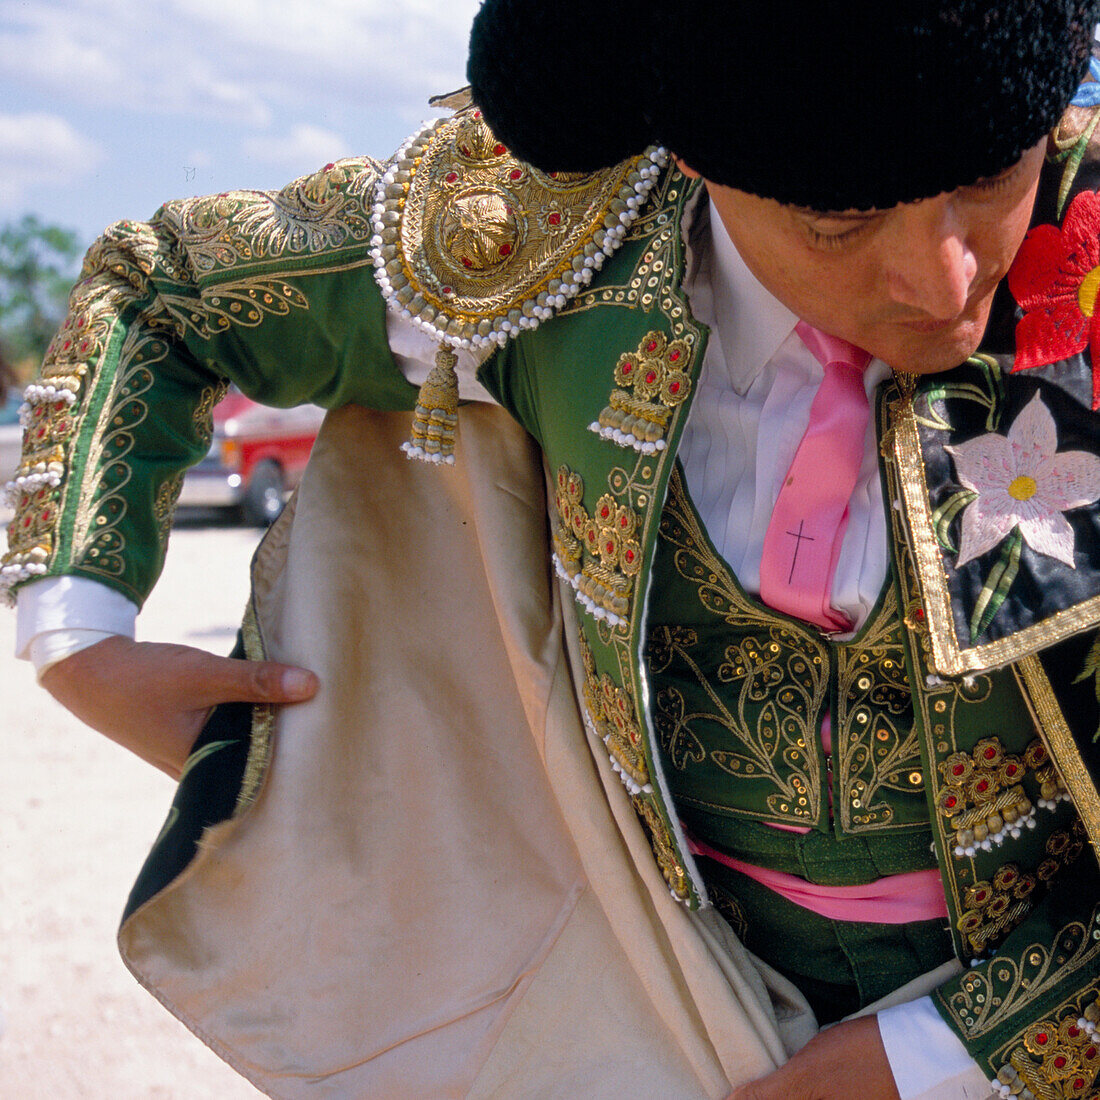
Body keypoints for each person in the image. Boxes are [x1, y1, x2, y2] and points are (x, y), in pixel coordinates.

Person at [6, 2, 1100, 1097]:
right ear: (692, 164)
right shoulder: (561, 230)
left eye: (990, 174)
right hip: (658, 998)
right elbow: (160, 289)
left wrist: (936, 1054)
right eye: (836, 223)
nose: (944, 277)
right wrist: (77, 632)